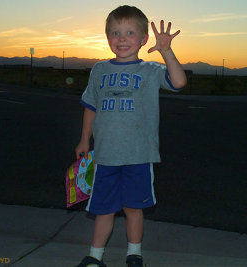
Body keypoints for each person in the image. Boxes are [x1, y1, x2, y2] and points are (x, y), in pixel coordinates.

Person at [75, 5, 186, 267]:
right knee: (103, 209)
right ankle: (95, 258)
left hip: (138, 155)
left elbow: (179, 82)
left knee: (134, 208)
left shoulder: (149, 70)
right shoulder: (99, 70)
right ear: (107, 38)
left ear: (144, 39)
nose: (122, 38)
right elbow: (91, 107)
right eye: (115, 32)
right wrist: (84, 139)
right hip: (105, 156)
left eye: (129, 32)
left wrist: (167, 51)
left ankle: (134, 255)